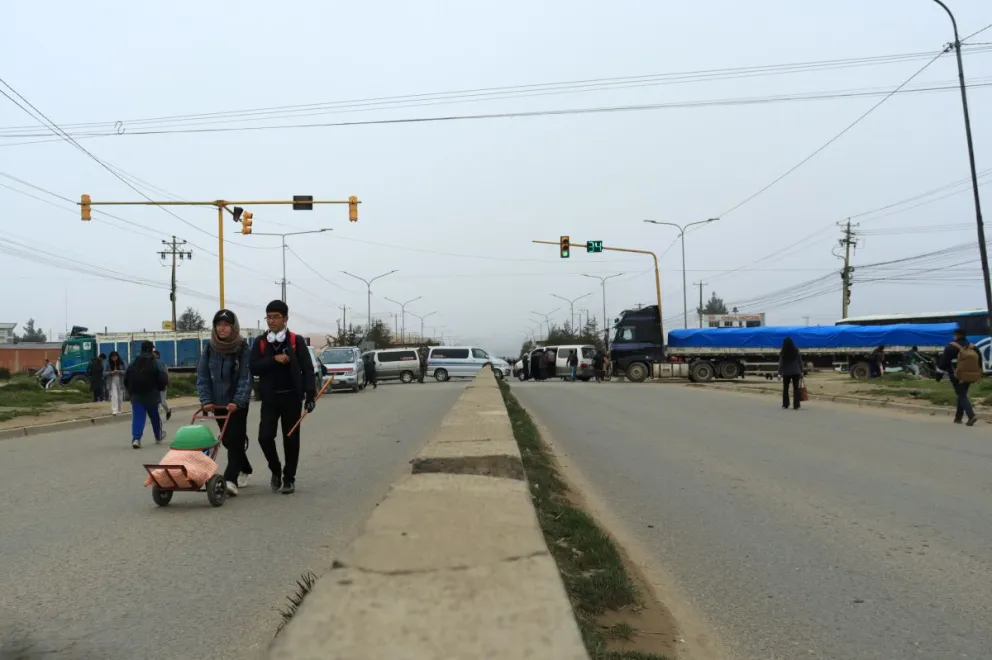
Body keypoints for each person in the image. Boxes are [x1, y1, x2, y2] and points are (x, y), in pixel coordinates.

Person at [250, 300, 316, 494]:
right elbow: (253, 367)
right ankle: (276, 470)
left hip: (292, 398)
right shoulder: (261, 342)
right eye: (269, 317)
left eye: (276, 317)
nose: (271, 321)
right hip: (270, 399)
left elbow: (308, 370)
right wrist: (273, 359)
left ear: (285, 319)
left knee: (291, 439)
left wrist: (310, 395)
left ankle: (289, 478)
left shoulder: (296, 341)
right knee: (264, 437)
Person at [197, 309, 254, 496]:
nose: (222, 329)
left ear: (233, 327)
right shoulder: (209, 348)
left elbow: (246, 377)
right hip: (218, 404)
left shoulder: (242, 348)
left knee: (235, 440)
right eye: (219, 325)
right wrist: (205, 400)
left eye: (226, 325)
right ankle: (246, 467)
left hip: (237, 404)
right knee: (228, 440)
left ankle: (230, 479)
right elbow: (203, 376)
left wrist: (237, 401)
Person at [124, 340, 168, 448]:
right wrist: (161, 387)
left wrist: (130, 391)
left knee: (138, 417)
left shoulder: (134, 361)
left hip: (136, 395)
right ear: (152, 349)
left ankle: (136, 439)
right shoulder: (155, 361)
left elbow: (126, 377)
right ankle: (158, 436)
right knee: (154, 416)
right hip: (152, 394)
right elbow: (163, 376)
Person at [936, 327, 980, 426]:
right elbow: (979, 361)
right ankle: (958, 418)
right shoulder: (972, 347)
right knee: (962, 394)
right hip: (969, 374)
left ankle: (971, 415)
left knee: (961, 395)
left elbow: (943, 363)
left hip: (956, 375)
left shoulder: (950, 347)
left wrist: (938, 376)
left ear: (955, 335)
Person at [778, 337, 803, 410]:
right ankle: (796, 404)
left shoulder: (783, 352)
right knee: (796, 388)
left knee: (785, 388)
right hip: (796, 372)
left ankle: (785, 404)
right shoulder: (796, 351)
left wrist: (779, 373)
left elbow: (781, 363)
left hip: (786, 372)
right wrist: (801, 371)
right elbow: (800, 362)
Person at [152, 349, 173, 423]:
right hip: (155, 384)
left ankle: (168, 410)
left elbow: (166, 372)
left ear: (157, 355)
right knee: (156, 401)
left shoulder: (161, 363)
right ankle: (156, 417)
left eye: (154, 354)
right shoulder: (152, 362)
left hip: (162, 384)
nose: (152, 355)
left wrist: (166, 382)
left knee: (162, 401)